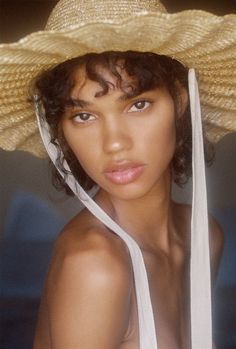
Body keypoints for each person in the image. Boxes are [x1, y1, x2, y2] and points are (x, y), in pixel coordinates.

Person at [0, 1, 235, 348]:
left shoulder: (203, 238)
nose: (114, 144)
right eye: (84, 116)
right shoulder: (96, 265)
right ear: (60, 129)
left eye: (137, 104)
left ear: (180, 102)